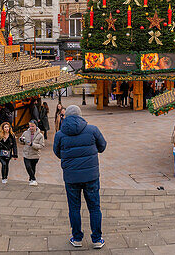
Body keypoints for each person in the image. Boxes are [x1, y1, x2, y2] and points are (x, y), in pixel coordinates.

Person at [54, 105, 107, 249]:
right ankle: (96, 239)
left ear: (67, 116)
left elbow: (57, 152)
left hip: (71, 177)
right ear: (80, 115)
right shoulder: (92, 130)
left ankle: (77, 238)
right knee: (94, 207)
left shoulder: (60, 134)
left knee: (74, 208)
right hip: (91, 176)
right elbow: (102, 146)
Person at [20, 119, 45, 186]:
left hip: (35, 155)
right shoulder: (25, 133)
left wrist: (32, 145)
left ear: (36, 126)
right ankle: (33, 179)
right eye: (30, 126)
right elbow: (21, 142)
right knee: (28, 166)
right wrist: (21, 140)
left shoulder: (40, 135)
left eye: (32, 126)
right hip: (26, 154)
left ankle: (31, 179)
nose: (31, 128)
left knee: (33, 167)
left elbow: (41, 146)